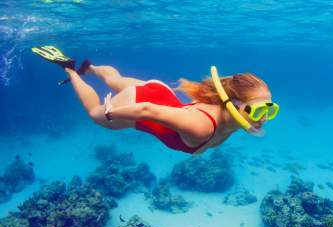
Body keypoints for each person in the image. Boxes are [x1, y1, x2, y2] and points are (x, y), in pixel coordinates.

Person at [31, 46, 279, 154]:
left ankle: (92, 68)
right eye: (257, 111)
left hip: (159, 93)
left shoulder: (232, 119)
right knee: (95, 114)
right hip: (145, 103)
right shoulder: (202, 126)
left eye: (271, 109)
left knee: (115, 79)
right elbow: (149, 110)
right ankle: (70, 69)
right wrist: (111, 113)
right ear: (232, 105)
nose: (265, 117)